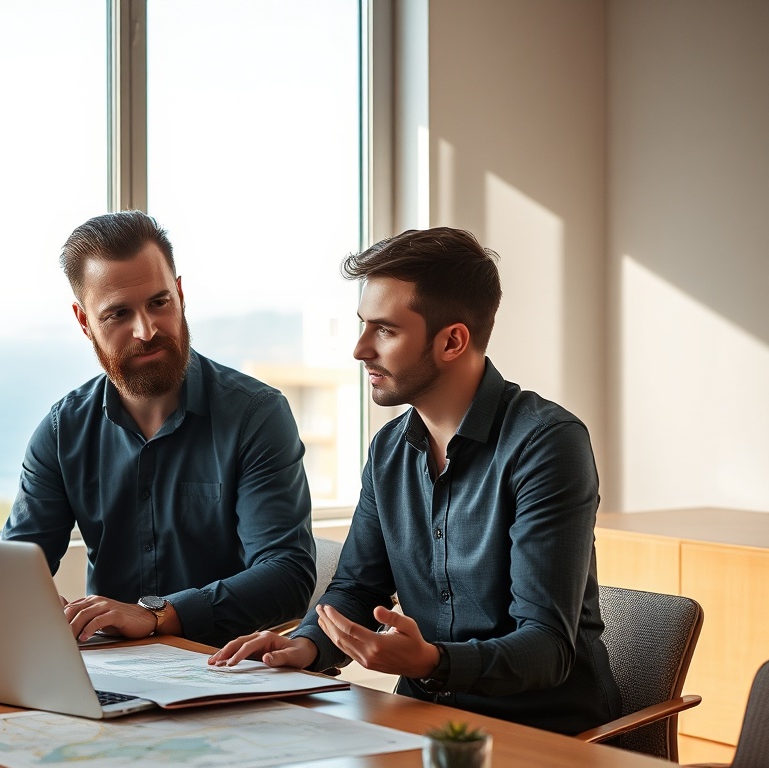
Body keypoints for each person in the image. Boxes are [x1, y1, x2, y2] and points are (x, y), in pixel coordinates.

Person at [209, 227, 622, 734]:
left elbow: (546, 647)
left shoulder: (547, 444)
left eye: (384, 330)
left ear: (451, 340)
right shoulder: (388, 451)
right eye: (364, 325)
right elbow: (357, 587)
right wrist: (307, 643)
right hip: (423, 720)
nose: (360, 349)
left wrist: (430, 662)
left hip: (546, 732)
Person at [2, 210, 315, 648]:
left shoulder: (256, 415)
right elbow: (13, 571)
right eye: (118, 314)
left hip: (227, 669)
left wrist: (155, 615)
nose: (146, 330)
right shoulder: (61, 431)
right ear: (83, 321)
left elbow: (288, 576)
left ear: (181, 294)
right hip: (109, 670)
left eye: (158, 303)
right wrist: (33, 605)